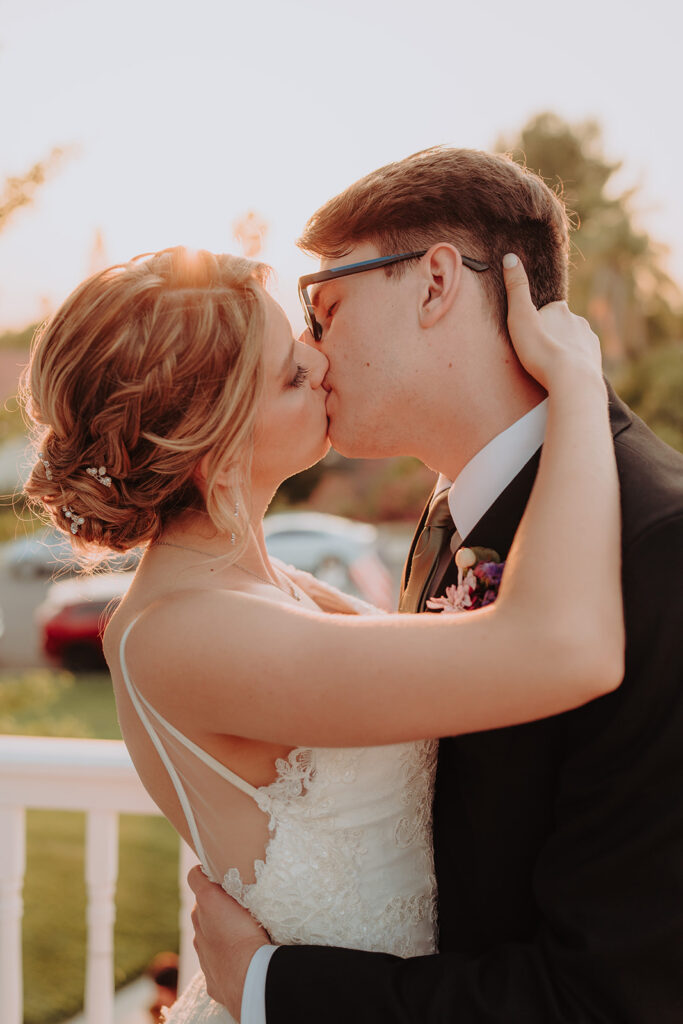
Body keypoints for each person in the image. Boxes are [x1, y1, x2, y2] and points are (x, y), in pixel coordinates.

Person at [21, 237, 622, 1024]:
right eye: (289, 375)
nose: (321, 362)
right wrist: (577, 383)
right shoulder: (186, 633)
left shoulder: (271, 586)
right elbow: (561, 650)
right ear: (216, 443)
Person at [187, 148, 683, 1024]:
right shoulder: (454, 506)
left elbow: (614, 993)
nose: (311, 347)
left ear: (433, 284)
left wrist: (270, 987)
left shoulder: (657, 547)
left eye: (325, 304)